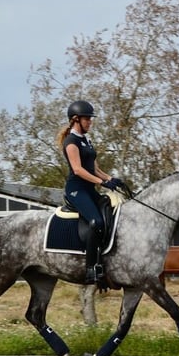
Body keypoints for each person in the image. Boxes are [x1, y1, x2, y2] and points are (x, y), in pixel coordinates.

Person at [57, 100, 123, 284]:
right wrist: (101, 183)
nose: (90, 122)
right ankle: (90, 268)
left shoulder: (86, 140)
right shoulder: (71, 142)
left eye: (90, 119)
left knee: (110, 212)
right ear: (76, 119)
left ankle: (106, 257)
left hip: (89, 188)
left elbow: (94, 168)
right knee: (96, 221)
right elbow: (78, 170)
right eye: (87, 119)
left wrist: (111, 179)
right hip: (76, 190)